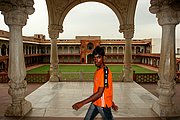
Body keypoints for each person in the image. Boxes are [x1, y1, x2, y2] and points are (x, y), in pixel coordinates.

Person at [72, 46, 118, 120]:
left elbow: (100, 93)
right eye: (94, 58)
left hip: (103, 105)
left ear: (104, 58)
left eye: (98, 57)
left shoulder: (105, 72)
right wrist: (112, 103)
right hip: (95, 102)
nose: (96, 60)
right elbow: (106, 90)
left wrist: (81, 103)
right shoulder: (98, 71)